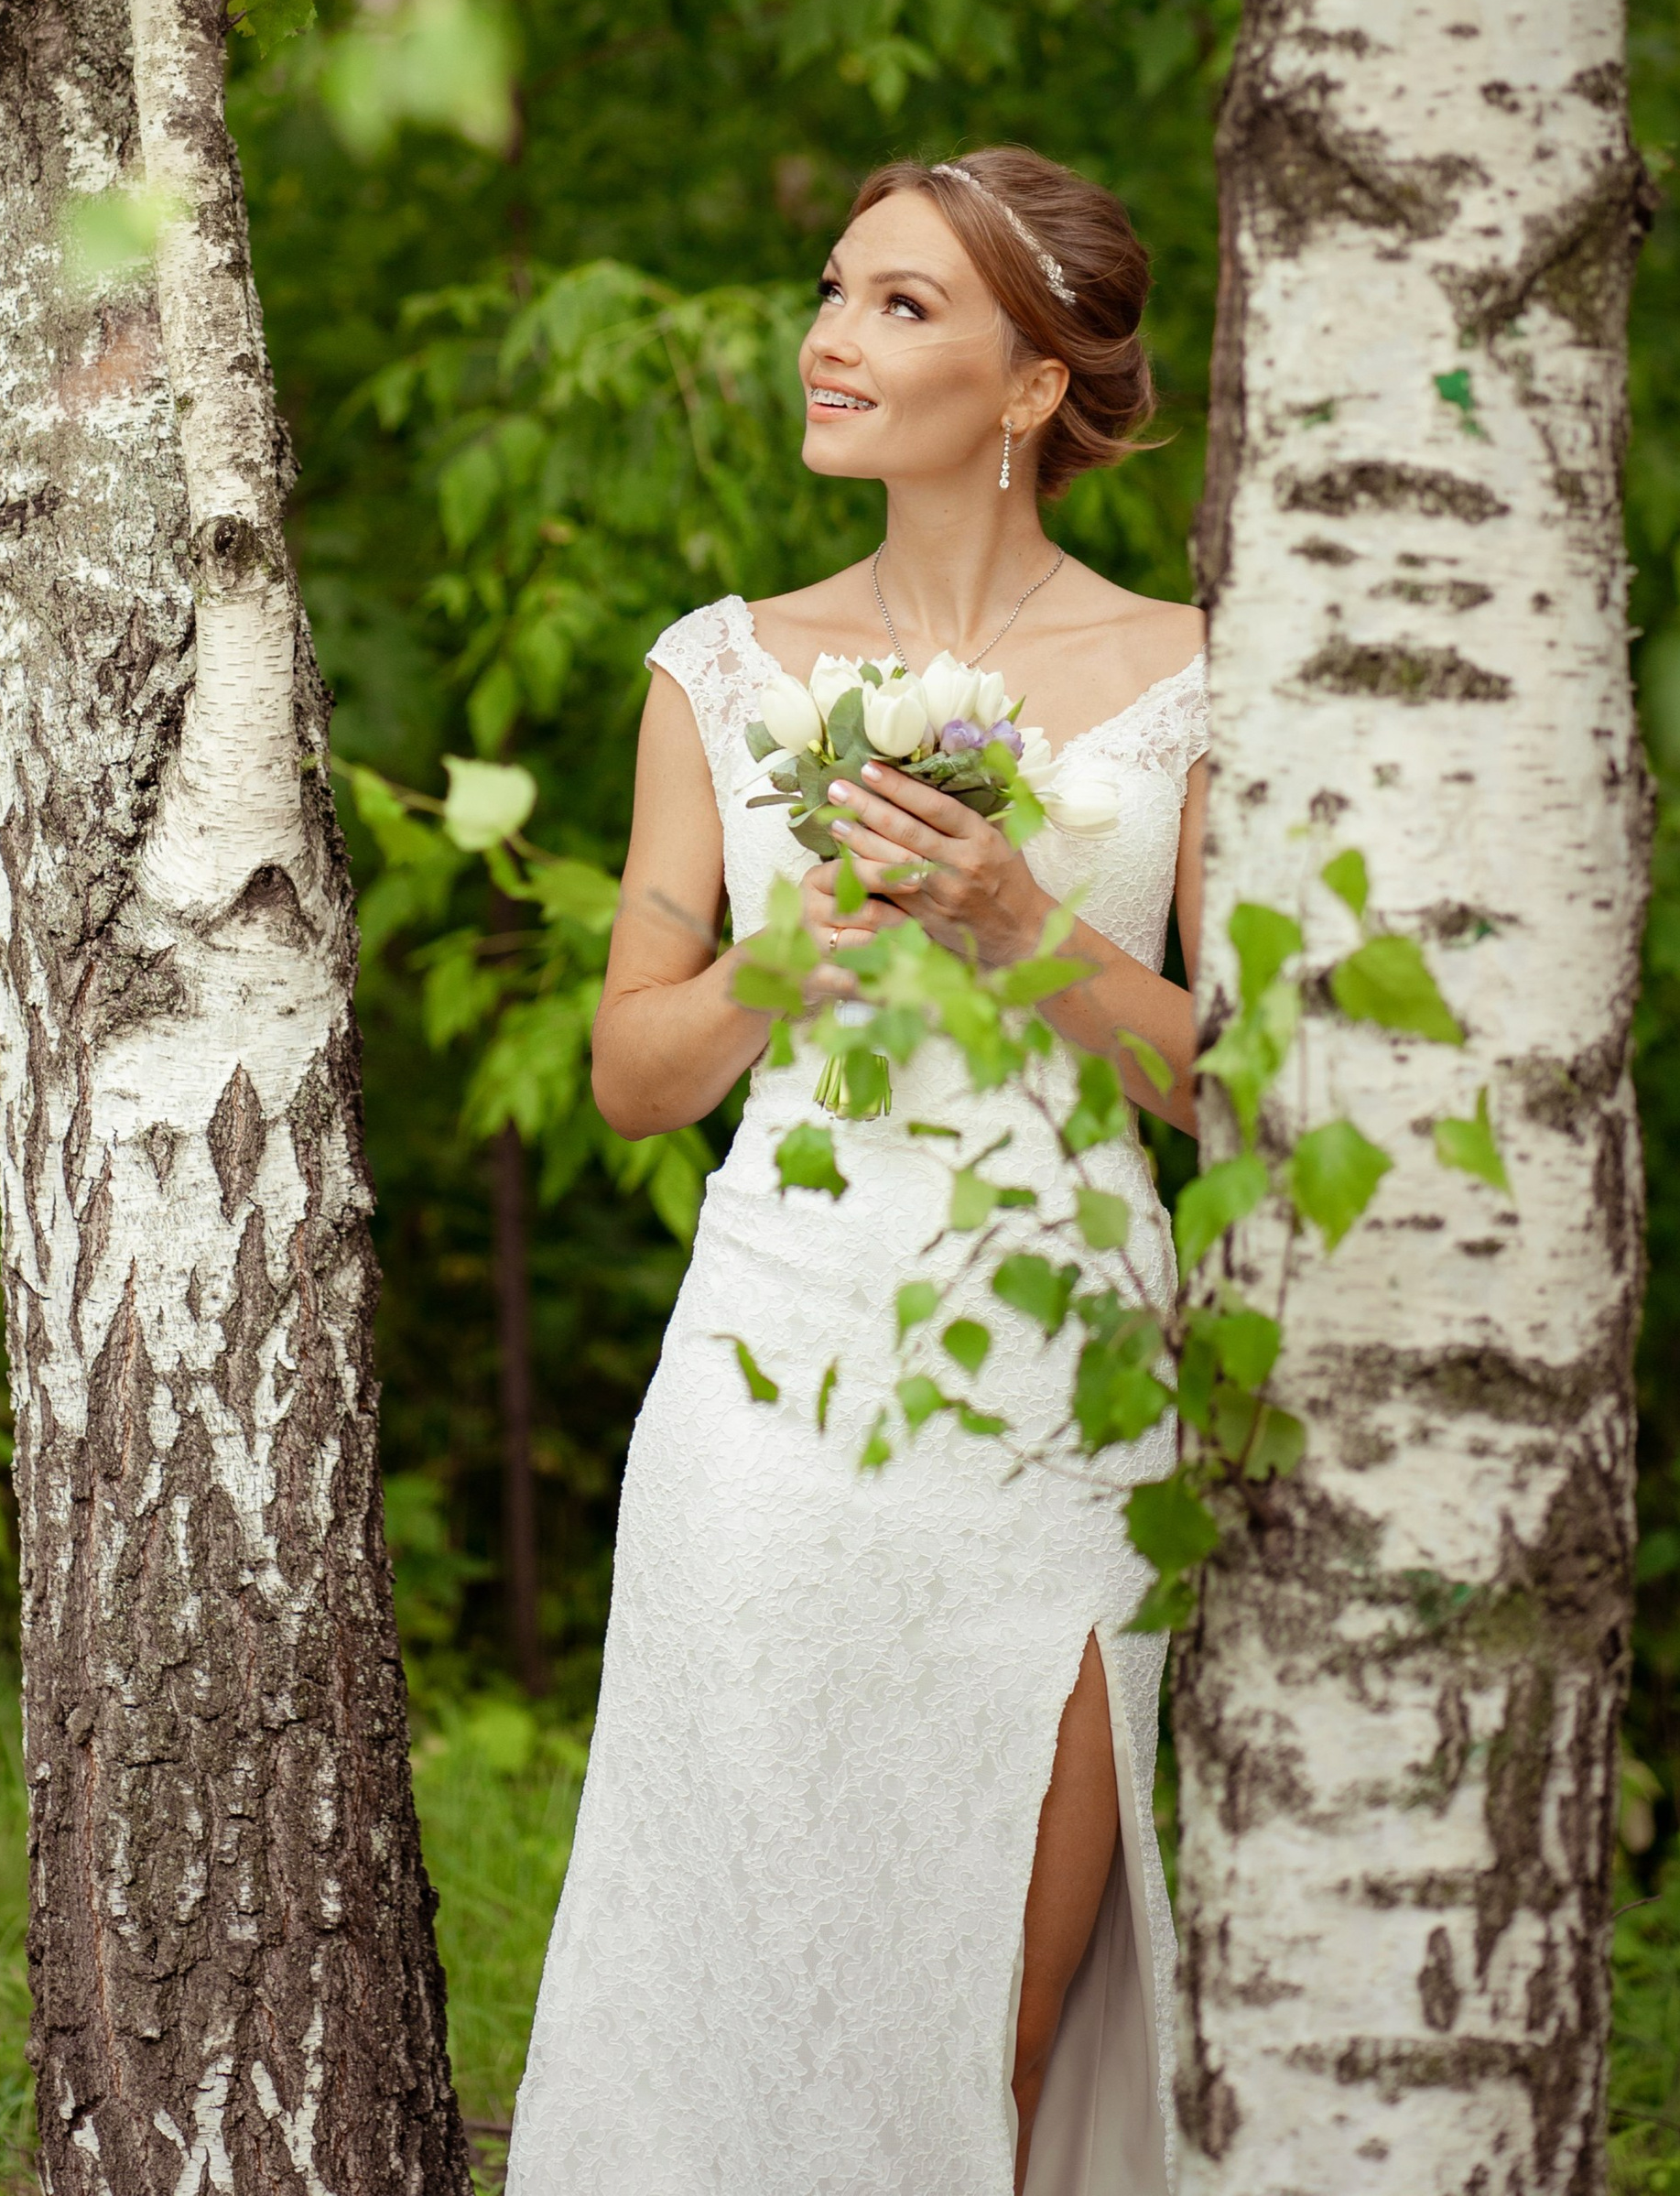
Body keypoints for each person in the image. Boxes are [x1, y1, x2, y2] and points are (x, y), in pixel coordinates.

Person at [505, 149, 1209, 2196]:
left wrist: (1026, 932)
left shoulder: (1192, 681)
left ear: (1023, 390)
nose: (827, 337)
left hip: (1063, 1393)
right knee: (733, 1965)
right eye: (832, 288)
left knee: (988, 2006)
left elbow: (1245, 1091)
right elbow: (635, 1075)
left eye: (900, 307)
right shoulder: (715, 668)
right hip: (769, 1391)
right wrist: (785, 954)